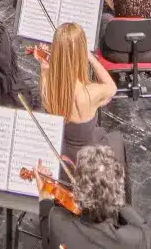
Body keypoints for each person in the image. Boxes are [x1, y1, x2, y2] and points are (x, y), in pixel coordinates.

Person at [39, 21, 125, 192]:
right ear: (80, 54)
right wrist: (90, 56)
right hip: (87, 160)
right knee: (117, 141)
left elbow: (47, 84)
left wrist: (44, 69)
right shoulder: (89, 93)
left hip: (62, 157)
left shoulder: (48, 88)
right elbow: (112, 88)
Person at [41, 145, 148, 249]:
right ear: (119, 186)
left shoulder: (57, 221)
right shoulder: (137, 238)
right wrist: (110, 195)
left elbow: (48, 243)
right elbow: (140, 224)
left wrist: (44, 197)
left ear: (78, 191)